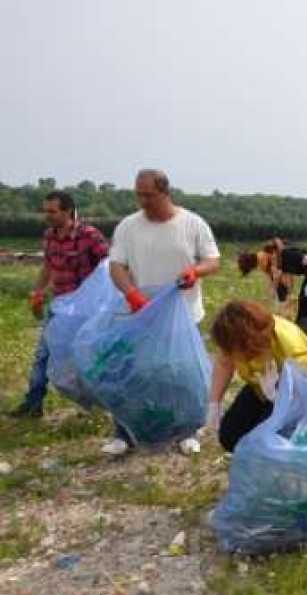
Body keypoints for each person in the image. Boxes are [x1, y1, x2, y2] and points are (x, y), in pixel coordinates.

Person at [105, 169, 221, 456]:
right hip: (141, 313)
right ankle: (124, 434)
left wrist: (196, 271)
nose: (143, 201)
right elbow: (116, 266)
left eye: (148, 195)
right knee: (134, 373)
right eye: (138, 194)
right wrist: (130, 293)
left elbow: (213, 260)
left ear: (164, 192)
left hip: (184, 314)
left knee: (182, 375)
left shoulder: (192, 224)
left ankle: (187, 431)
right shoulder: (128, 227)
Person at [9, 191, 109, 418]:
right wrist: (38, 291)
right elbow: (47, 266)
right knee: (43, 355)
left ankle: (106, 402)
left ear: (67, 211)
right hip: (59, 306)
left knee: (90, 357)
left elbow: (109, 266)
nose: (48, 216)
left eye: (52, 211)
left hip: (85, 310)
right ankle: (33, 404)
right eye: (45, 211)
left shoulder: (89, 235)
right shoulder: (49, 236)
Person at [206, 300, 307, 452]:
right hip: (263, 387)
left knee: (268, 441)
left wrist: (278, 398)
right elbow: (224, 362)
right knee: (231, 435)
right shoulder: (234, 343)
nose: (232, 356)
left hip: (305, 388)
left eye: (234, 351)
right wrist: (215, 403)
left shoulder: (289, 343)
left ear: (248, 343)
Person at [237, 239, 307, 324]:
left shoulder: (286, 255)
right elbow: (283, 290)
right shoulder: (276, 263)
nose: (269, 269)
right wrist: (275, 286)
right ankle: (303, 329)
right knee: (304, 301)